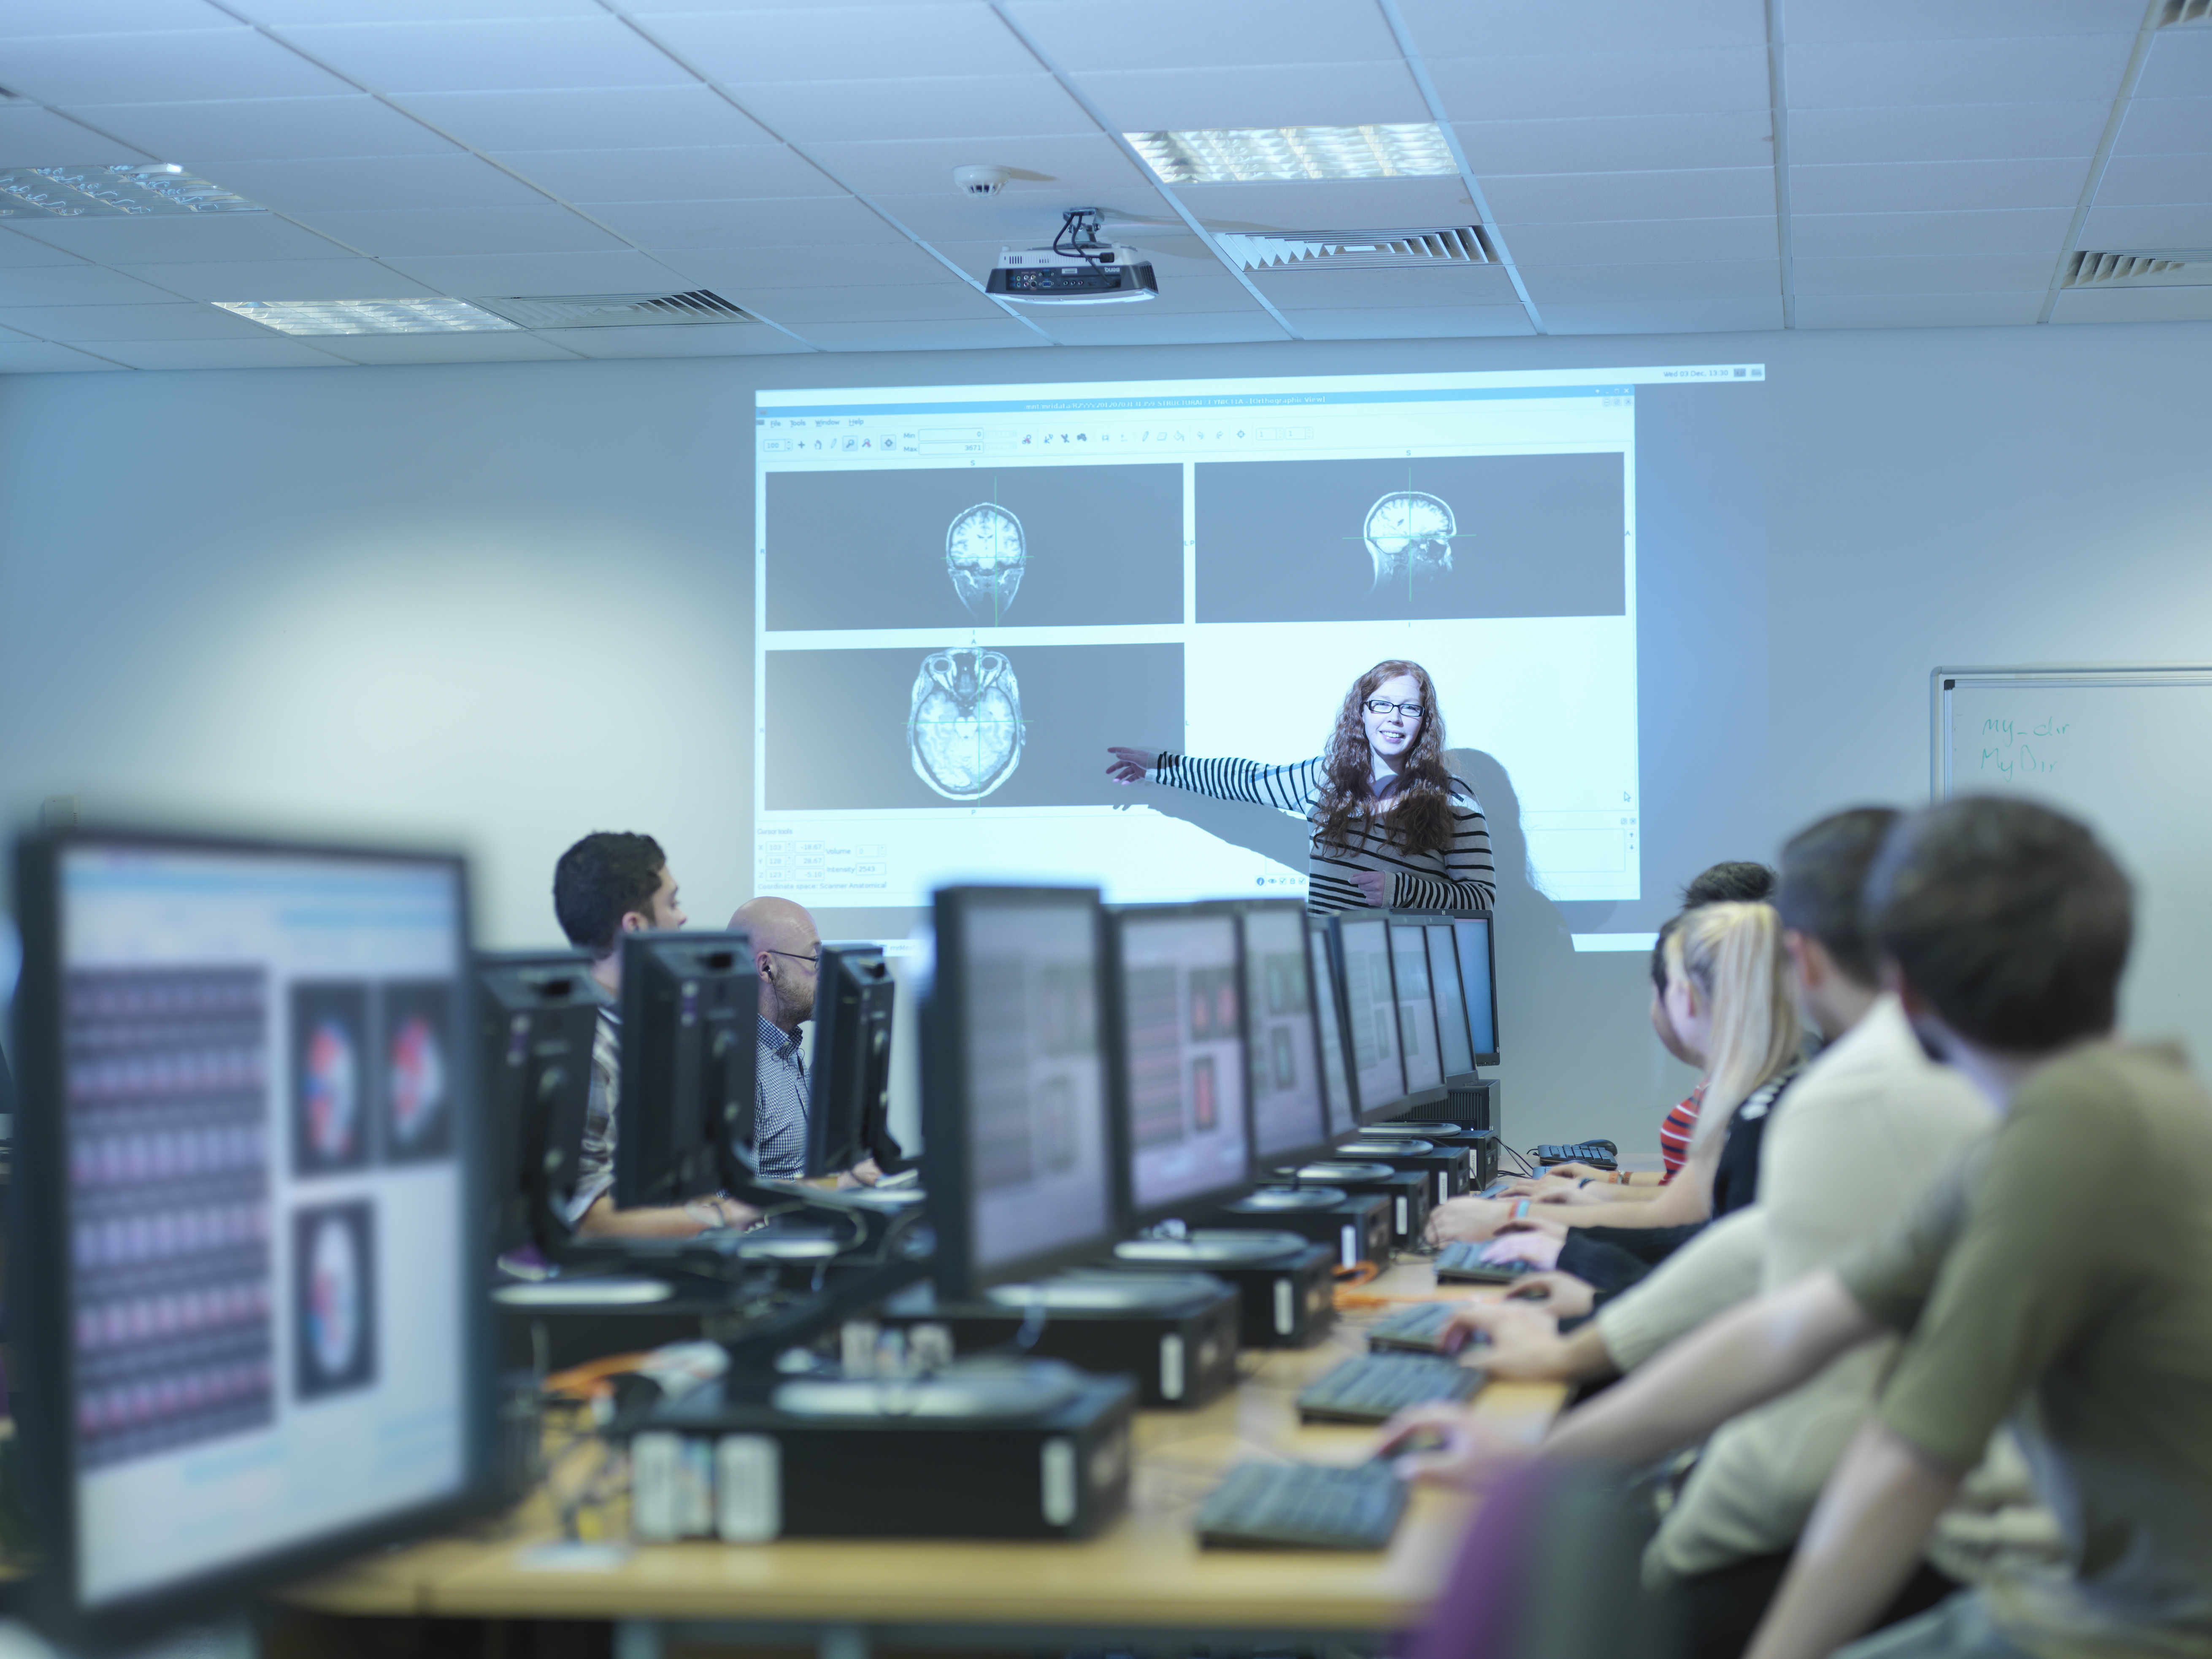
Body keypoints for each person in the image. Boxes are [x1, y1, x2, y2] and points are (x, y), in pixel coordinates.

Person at [1387, 797, 2212, 1659]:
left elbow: (1905, 1458)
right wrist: (1544, 1455)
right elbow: (1798, 1315)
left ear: (1898, 977)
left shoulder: (2066, 1143)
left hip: (2113, 1629)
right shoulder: (2099, 1107)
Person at [1426, 902, 1801, 1275]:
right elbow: (1686, 1217)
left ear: (1684, 999)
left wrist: (1516, 1218)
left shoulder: (1752, 1118)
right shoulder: (1768, 1092)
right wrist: (1581, 1199)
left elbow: (1679, 1232)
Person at [1105, 658, 1495, 915]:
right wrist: (1157, 766)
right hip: (1330, 970)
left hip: (1415, 979)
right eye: (1382, 704)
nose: (1395, 718)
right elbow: (1244, 780)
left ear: (1425, 721)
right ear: (1361, 712)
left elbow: (1481, 899)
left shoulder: (1455, 798)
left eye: (1409, 708)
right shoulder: (1324, 779)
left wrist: (1403, 889)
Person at [552, 832, 754, 1239]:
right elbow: (588, 1221)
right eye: (673, 903)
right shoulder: (589, 1045)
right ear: (637, 926)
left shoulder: (647, 1028)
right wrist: (721, 1218)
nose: (682, 918)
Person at [732, 895, 882, 1187]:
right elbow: (732, 1204)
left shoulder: (787, 1052)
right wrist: (840, 1183)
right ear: (767, 969)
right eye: (815, 960)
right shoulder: (743, 1070)